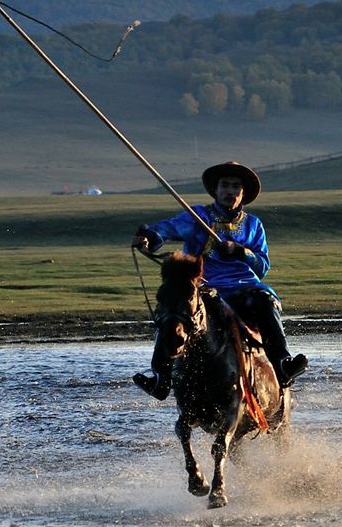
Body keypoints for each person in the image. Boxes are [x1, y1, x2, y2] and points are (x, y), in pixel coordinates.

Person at [132, 161, 308, 399]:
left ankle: (282, 364)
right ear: (216, 190)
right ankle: (161, 378)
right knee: (173, 312)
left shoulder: (254, 225)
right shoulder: (198, 216)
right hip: (206, 287)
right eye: (225, 185)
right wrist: (148, 238)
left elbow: (263, 266)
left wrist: (239, 251)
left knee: (265, 302)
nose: (230, 192)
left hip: (245, 289)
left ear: (243, 194)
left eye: (236, 187)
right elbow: (168, 228)